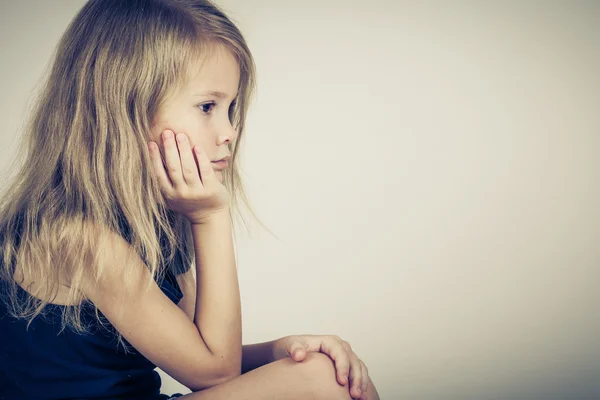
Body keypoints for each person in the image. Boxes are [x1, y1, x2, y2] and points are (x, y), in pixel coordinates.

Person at [0, 1, 381, 399]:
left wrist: (282, 350)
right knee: (321, 382)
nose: (229, 131)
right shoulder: (78, 238)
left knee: (326, 371)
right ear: (124, 109)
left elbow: (203, 352)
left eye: (230, 109)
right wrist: (211, 217)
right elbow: (214, 372)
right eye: (207, 107)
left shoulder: (152, 222)